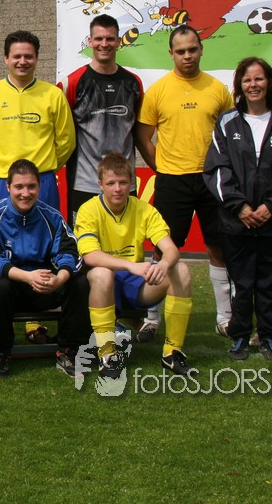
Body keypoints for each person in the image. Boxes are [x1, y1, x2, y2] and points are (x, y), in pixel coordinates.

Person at [204, 58, 272, 361]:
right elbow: (217, 168)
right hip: (237, 220)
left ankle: (267, 336)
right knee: (241, 282)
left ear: (270, 83)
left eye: (259, 79)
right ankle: (239, 335)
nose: (253, 85)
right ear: (239, 85)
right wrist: (239, 207)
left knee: (269, 283)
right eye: (247, 80)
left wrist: (271, 206)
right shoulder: (227, 122)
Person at [135, 24, 233, 336]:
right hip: (172, 181)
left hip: (211, 181)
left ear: (201, 49)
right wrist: (161, 167)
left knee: (218, 247)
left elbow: (231, 133)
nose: (187, 56)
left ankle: (225, 318)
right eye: (181, 51)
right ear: (171, 54)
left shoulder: (218, 89)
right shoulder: (158, 90)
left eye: (192, 49)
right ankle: (152, 317)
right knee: (163, 249)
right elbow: (143, 136)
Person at [75, 152, 197, 377]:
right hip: (103, 284)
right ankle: (108, 354)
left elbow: (171, 249)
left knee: (180, 269)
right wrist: (130, 265)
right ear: (100, 184)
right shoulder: (88, 210)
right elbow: (90, 255)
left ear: (132, 182)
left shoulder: (144, 209)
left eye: (123, 182)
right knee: (101, 273)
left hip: (135, 284)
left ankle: (172, 352)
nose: (117, 189)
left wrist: (163, 265)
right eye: (111, 183)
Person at [0, 159, 89, 379]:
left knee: (80, 282)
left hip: (44, 287)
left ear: (39, 187)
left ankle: (68, 350)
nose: (25, 193)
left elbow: (69, 253)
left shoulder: (53, 217)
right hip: (12, 286)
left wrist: (58, 280)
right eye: (19, 187)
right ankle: (1, 352)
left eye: (31, 186)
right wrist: (27, 277)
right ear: (8, 187)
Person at [0, 30, 75, 211]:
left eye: (28, 56)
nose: (22, 61)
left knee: (45, 229)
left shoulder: (54, 95)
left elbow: (66, 141)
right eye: (17, 56)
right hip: (2, 180)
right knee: (0, 230)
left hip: (42, 181)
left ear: (37, 59)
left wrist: (46, 166)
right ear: (6, 58)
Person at [59, 15, 145, 222]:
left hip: (122, 184)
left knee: (125, 239)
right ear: (90, 41)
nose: (104, 44)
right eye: (98, 39)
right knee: (83, 240)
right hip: (84, 183)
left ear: (118, 41)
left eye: (110, 39)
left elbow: (139, 133)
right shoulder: (71, 83)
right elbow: (60, 132)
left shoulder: (134, 83)